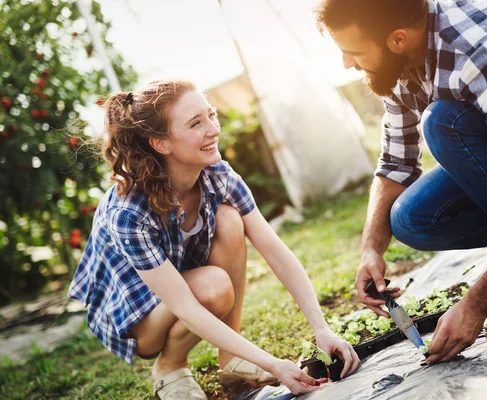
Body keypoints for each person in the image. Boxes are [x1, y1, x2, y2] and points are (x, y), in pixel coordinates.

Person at [316, 0, 487, 364]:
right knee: (411, 218)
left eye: (352, 52)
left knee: (445, 122)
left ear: (398, 39)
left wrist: (475, 305)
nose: (346, 64)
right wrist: (371, 248)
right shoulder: (402, 58)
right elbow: (395, 164)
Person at [67, 80, 360, 399]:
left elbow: (275, 250)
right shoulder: (128, 212)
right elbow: (185, 306)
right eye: (196, 123)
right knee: (214, 286)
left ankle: (231, 359)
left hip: (184, 285)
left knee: (230, 220)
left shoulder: (217, 174)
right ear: (161, 143)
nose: (213, 129)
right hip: (140, 320)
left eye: (210, 115)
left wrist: (321, 328)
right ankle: (170, 369)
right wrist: (275, 365)